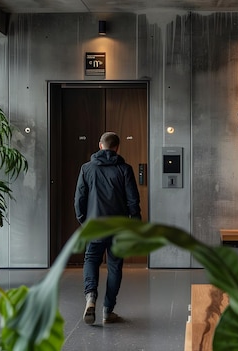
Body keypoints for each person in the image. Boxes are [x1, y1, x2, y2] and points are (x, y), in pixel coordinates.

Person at [74, 131, 141, 325]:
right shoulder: (125, 169)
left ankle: (90, 298)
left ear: (100, 145)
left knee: (91, 260)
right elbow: (133, 201)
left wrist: (83, 221)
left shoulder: (86, 168)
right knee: (114, 266)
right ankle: (107, 310)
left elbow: (79, 199)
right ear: (117, 147)